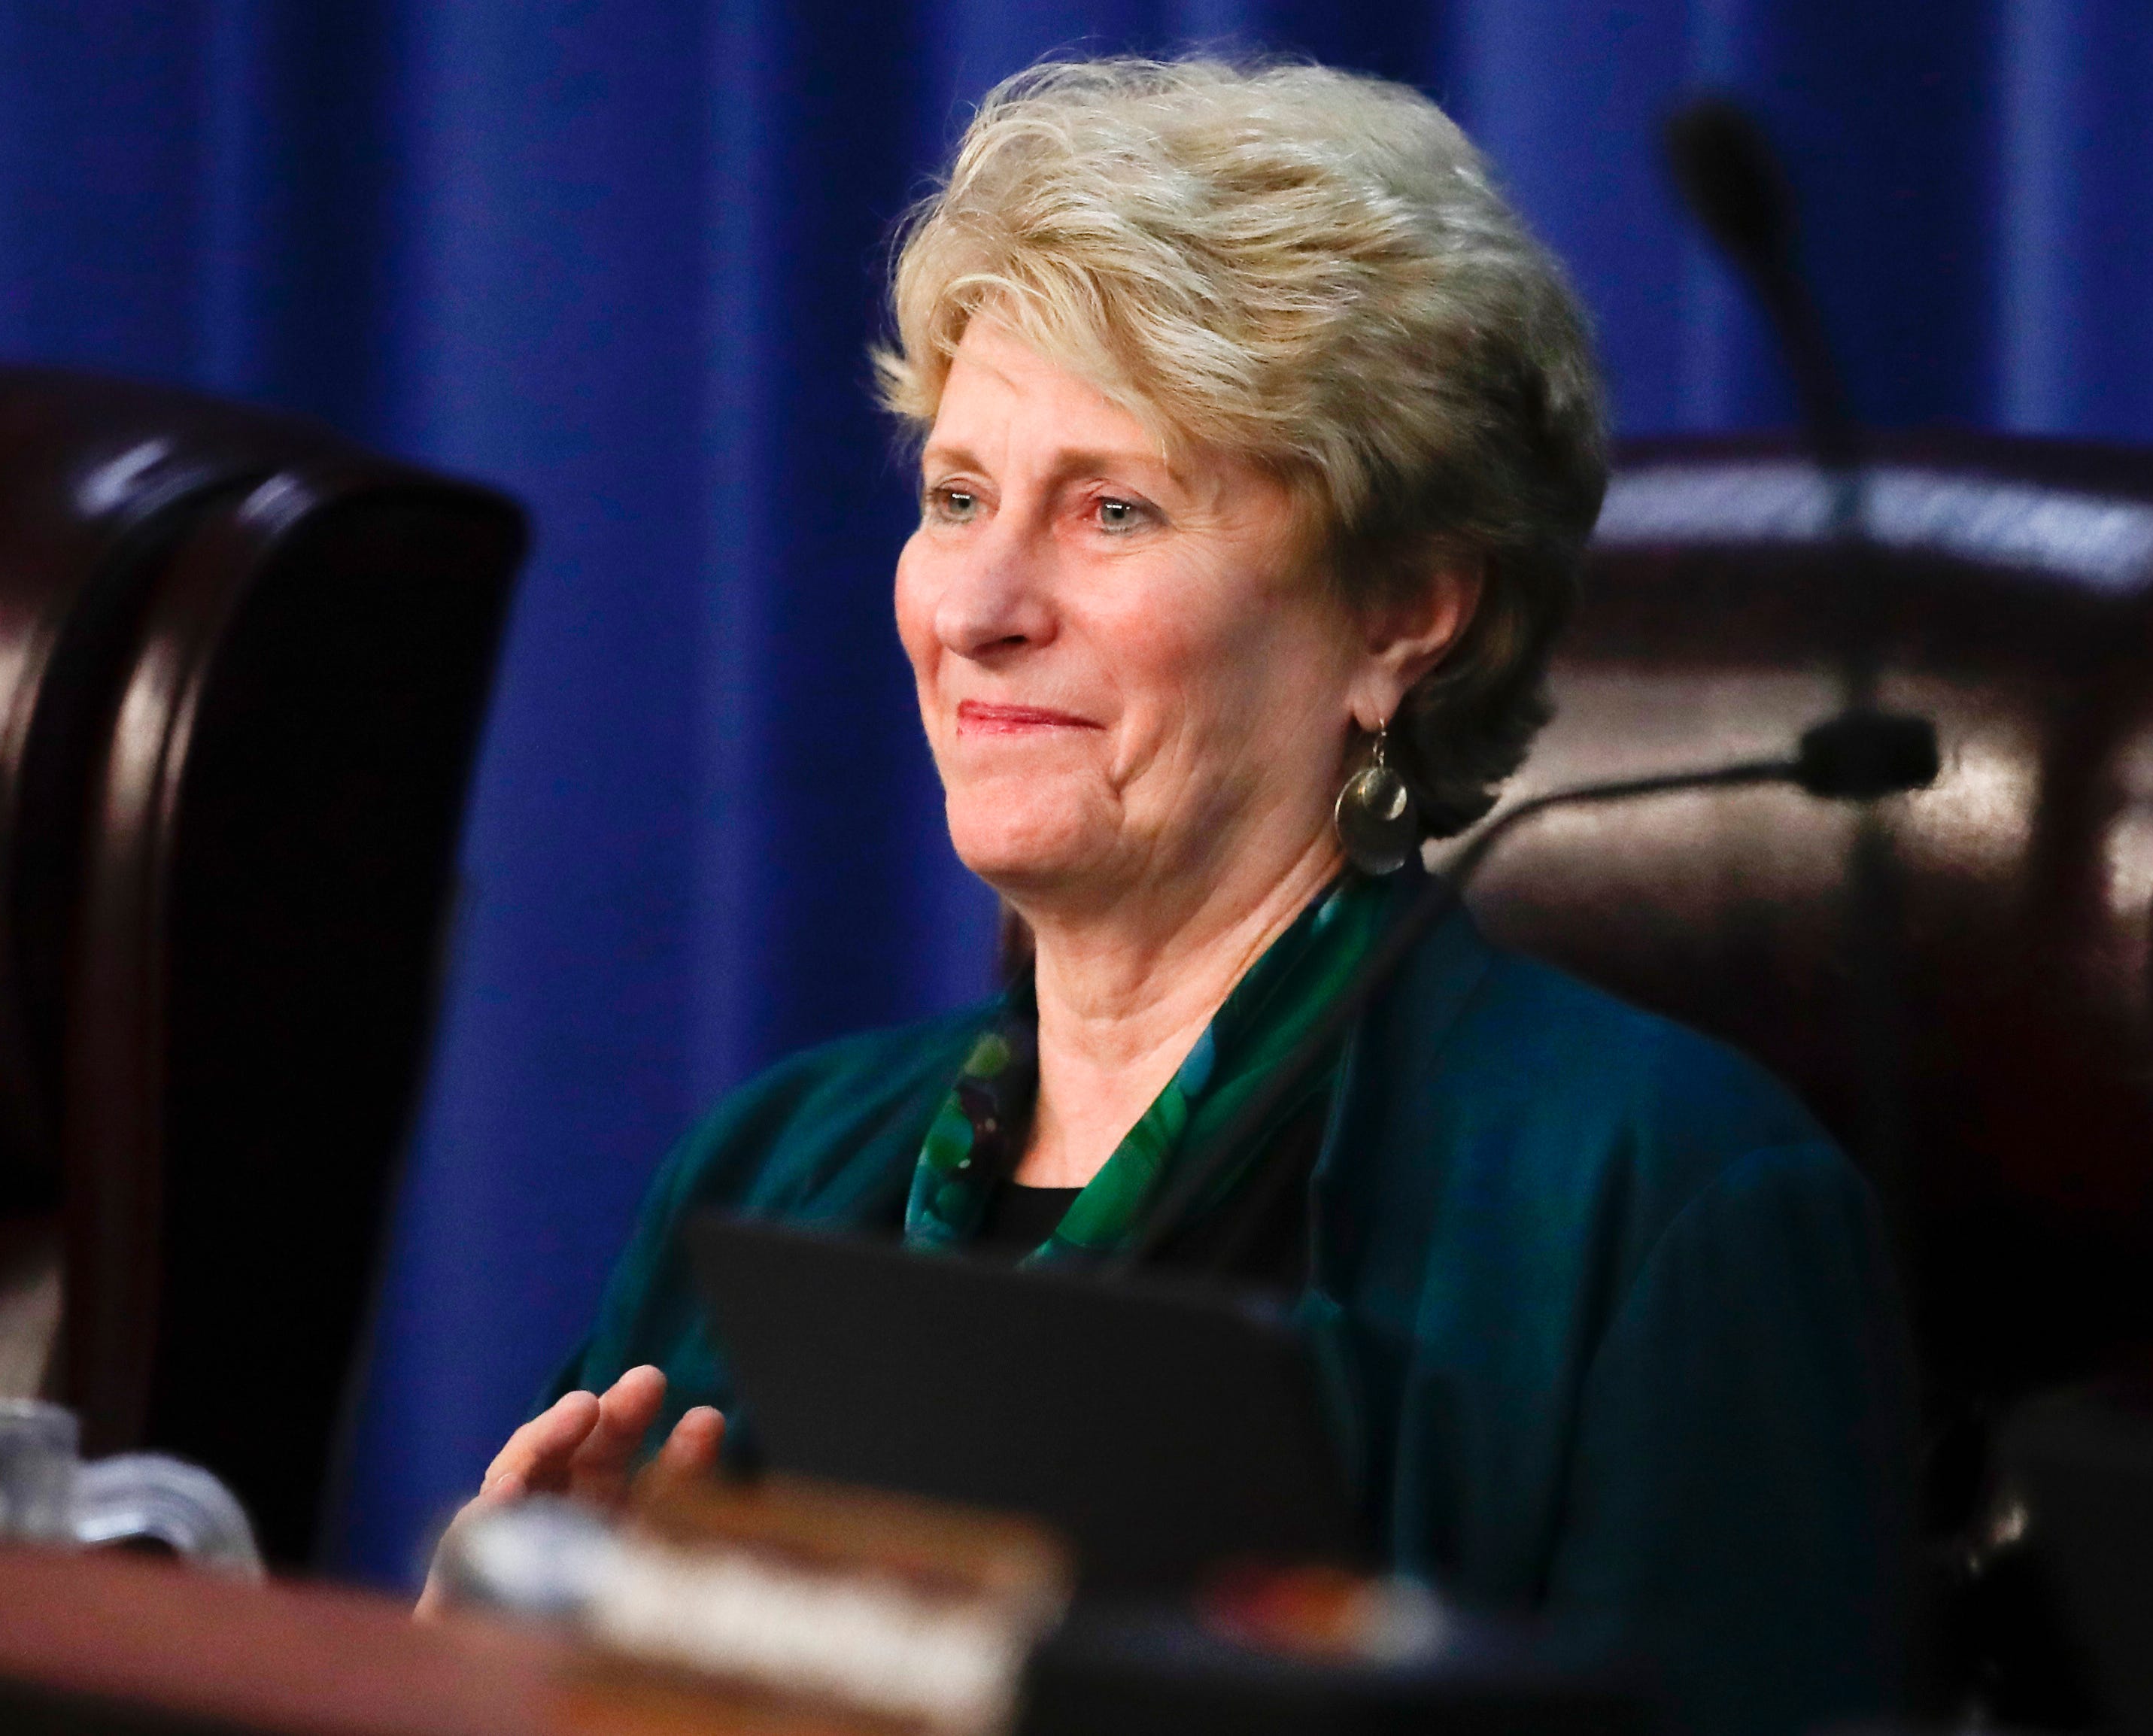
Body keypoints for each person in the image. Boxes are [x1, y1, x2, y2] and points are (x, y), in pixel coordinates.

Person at [421, 56, 1912, 1736]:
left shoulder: (1663, 1202)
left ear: (1401, 611)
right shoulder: (766, 1166)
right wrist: (502, 1678)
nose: (976, 606)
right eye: (957, 497)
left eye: (1111, 509)